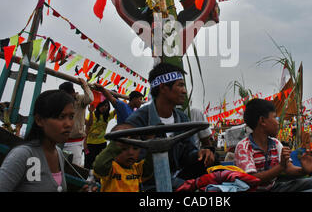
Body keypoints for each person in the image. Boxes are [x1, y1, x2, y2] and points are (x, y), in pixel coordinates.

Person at [124, 62, 215, 190]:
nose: (184, 91)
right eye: (180, 85)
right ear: (163, 87)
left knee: (213, 168)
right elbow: (134, 165)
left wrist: (199, 153)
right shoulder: (137, 121)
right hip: (147, 184)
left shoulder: (182, 118)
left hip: (176, 178)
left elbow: (187, 154)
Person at [0, 90, 96, 192]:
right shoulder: (23, 155)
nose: (68, 124)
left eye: (71, 117)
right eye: (61, 117)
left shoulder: (58, 154)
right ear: (39, 120)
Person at [234, 98, 312, 192]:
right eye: (275, 118)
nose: (278, 122)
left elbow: (289, 168)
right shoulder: (243, 147)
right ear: (262, 121)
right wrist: (281, 166)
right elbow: (252, 179)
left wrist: (304, 170)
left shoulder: (275, 143)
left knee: (311, 182)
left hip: (273, 188)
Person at [93, 124, 153, 192]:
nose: (131, 152)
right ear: (114, 149)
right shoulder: (111, 169)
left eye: (135, 148)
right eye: (124, 148)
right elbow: (99, 166)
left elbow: (150, 165)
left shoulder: (138, 169)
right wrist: (115, 143)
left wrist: (151, 141)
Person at [59, 78, 94, 166]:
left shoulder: (80, 99)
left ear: (72, 92)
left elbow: (90, 98)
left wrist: (84, 85)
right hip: (61, 140)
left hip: (75, 141)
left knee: (73, 167)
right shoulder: (62, 101)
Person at [84, 100, 111, 169]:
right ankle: (85, 179)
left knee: (100, 164)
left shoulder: (108, 116)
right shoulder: (92, 115)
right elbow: (87, 129)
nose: (104, 107)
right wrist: (85, 144)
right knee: (88, 164)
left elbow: (118, 108)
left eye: (106, 106)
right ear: (98, 106)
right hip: (90, 144)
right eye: (102, 105)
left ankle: (97, 179)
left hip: (102, 144)